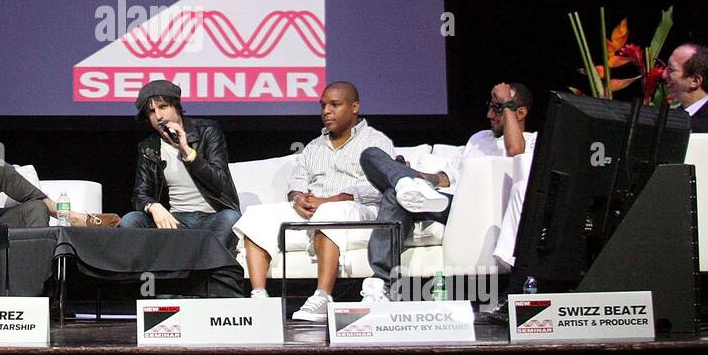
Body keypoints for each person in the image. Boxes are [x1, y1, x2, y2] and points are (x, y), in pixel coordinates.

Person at [233, 81, 394, 321]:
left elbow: (381, 186)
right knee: (257, 215)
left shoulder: (376, 141)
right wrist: (298, 199)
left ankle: (322, 296)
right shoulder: (313, 147)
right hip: (313, 207)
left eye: (334, 104)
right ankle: (259, 298)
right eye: (323, 105)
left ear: (354, 107)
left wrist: (332, 199)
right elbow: (296, 183)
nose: (326, 111)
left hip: (358, 209)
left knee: (330, 212)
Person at [361, 82, 536, 294]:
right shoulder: (479, 138)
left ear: (520, 112)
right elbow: (446, 177)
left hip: (473, 210)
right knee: (371, 156)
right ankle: (404, 182)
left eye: (498, 108)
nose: (490, 114)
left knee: (394, 193)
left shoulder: (531, 143)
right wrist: (414, 175)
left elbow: (515, 151)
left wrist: (506, 100)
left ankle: (381, 282)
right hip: (445, 203)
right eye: (491, 106)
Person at [123, 80, 244, 297]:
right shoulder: (148, 147)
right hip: (177, 221)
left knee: (231, 218)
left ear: (176, 105)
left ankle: (187, 285)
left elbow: (220, 182)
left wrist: (187, 150)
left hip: (214, 217)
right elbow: (140, 193)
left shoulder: (208, 131)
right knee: (131, 220)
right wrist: (154, 206)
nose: (158, 116)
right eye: (151, 112)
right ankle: (166, 283)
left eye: (163, 107)